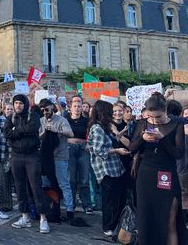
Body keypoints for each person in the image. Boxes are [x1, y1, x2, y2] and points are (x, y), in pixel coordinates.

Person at [130, 93, 188, 244]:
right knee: (146, 218)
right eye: (151, 117)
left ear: (165, 111)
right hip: (146, 175)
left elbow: (178, 154)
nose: (154, 121)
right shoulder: (142, 123)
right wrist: (142, 139)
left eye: (158, 117)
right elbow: (131, 148)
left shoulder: (176, 125)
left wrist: (162, 139)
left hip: (167, 173)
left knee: (170, 218)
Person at [4, 94, 50, 234]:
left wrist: (15, 131)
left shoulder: (33, 116)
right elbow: (6, 132)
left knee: (36, 187)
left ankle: (43, 218)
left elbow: (32, 129)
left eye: (20, 103)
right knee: (19, 187)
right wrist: (19, 131)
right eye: (16, 103)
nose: (18, 105)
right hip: (16, 156)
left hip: (31, 156)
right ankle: (25, 216)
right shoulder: (10, 118)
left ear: (25, 104)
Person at [87, 100, 128, 237]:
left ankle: (115, 225)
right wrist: (117, 151)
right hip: (106, 170)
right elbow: (99, 150)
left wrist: (120, 133)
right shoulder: (97, 128)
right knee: (110, 201)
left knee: (119, 198)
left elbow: (112, 140)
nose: (113, 114)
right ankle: (108, 227)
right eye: (110, 111)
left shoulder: (105, 127)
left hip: (115, 169)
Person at [38, 99, 75, 222]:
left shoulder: (61, 120)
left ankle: (70, 210)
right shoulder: (41, 121)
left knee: (63, 184)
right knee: (46, 184)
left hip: (60, 157)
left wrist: (56, 130)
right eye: (42, 110)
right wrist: (44, 133)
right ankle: (52, 209)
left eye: (47, 109)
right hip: (45, 158)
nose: (45, 112)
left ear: (52, 107)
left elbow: (70, 133)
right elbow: (37, 137)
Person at [66, 95, 93, 214]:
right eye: (75, 106)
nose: (77, 108)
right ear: (70, 107)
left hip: (83, 150)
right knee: (71, 179)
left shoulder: (87, 121)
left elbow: (91, 135)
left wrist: (88, 144)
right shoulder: (65, 119)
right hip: (69, 149)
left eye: (79, 106)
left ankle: (87, 205)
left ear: (82, 107)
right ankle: (71, 204)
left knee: (84, 178)